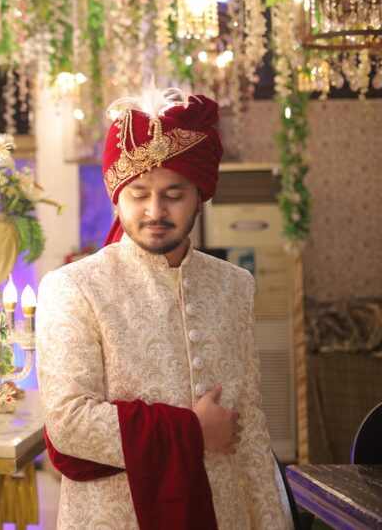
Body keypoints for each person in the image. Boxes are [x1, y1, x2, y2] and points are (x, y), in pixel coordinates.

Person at [36, 90, 289, 529]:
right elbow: (68, 423)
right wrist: (192, 431)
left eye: (174, 194)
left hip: (222, 513)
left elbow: (248, 424)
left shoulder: (234, 286)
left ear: (199, 196)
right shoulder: (74, 288)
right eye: (138, 194)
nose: (156, 211)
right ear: (117, 197)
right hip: (117, 518)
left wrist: (271, 521)